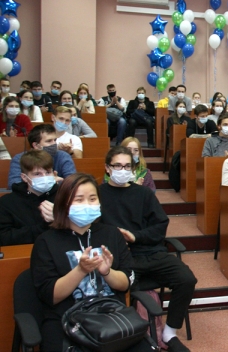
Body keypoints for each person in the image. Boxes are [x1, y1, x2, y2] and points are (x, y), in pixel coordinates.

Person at [30, 173, 145, 352]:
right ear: (64, 204)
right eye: (79, 199)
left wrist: (107, 272)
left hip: (112, 318)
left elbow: (126, 283)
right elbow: (50, 295)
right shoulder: (46, 241)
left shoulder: (112, 234)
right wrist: (81, 270)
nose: (87, 204)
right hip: (66, 321)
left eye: (92, 199)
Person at [99, 146, 196, 351]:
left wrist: (135, 236)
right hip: (121, 258)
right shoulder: (98, 195)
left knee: (186, 279)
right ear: (107, 168)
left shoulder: (143, 193)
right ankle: (137, 335)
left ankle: (169, 332)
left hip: (150, 252)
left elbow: (160, 226)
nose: (123, 170)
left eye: (127, 166)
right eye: (118, 166)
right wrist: (117, 240)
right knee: (126, 290)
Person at [0, 150, 58, 246]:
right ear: (24, 177)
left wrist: (60, 220)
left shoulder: (65, 197)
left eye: (48, 172)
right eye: (37, 174)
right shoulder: (6, 203)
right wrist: (43, 226)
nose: (44, 178)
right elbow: (4, 237)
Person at [8, 124, 76, 188]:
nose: (54, 144)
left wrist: (56, 183)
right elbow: (13, 185)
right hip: (29, 195)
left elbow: (73, 183)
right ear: (36, 145)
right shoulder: (19, 159)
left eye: (55, 140)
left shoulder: (63, 156)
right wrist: (42, 183)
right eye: (49, 141)